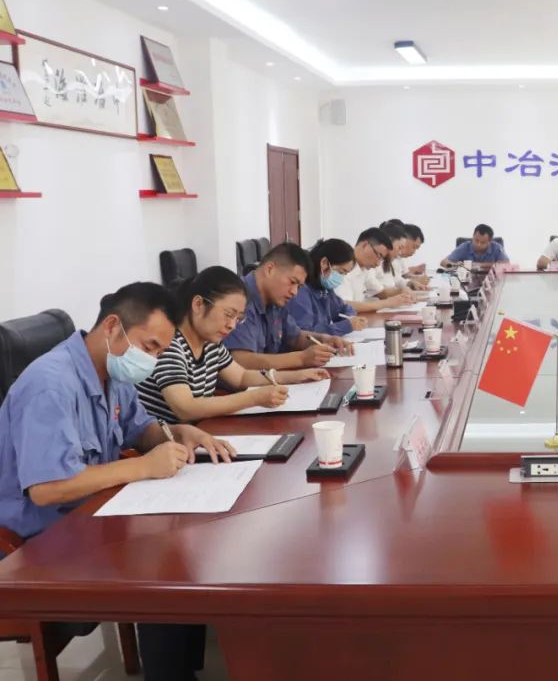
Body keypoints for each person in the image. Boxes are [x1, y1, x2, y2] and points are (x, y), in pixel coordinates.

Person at [0, 282, 234, 681]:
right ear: (112, 326)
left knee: (187, 535)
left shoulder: (112, 370)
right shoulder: (50, 385)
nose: (152, 360)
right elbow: (47, 489)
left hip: (94, 514)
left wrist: (177, 433)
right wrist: (143, 468)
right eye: (150, 346)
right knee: (162, 566)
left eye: (159, 352)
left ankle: (184, 665)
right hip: (40, 543)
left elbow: (138, 429)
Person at [139, 267, 329, 424]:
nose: (232, 325)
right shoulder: (169, 346)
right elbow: (186, 408)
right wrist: (254, 398)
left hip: (199, 434)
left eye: (238, 318)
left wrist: (296, 376)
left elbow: (241, 377)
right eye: (228, 314)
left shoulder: (211, 344)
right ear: (198, 304)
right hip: (163, 446)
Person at [222, 243, 350, 371]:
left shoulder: (276, 299)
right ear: (270, 269)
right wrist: (301, 358)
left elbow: (294, 337)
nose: (294, 292)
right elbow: (241, 360)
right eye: (292, 282)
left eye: (299, 286)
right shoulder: (239, 298)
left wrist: (323, 339)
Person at [286, 238, 368, 336]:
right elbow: (305, 335)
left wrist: (351, 318)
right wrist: (346, 326)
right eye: (341, 272)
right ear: (324, 263)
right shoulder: (300, 290)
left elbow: (342, 308)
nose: (341, 278)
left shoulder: (324, 287)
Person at [336, 227, 416, 313]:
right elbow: (344, 305)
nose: (378, 264)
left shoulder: (365, 269)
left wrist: (401, 291)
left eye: (381, 259)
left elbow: (380, 292)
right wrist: (385, 303)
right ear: (365, 246)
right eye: (379, 256)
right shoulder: (342, 265)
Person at [441, 223, 509, 269]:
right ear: (473, 236)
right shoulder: (465, 247)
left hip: (491, 283)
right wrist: (456, 265)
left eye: (483, 242)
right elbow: (443, 262)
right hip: (467, 282)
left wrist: (480, 265)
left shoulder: (497, 247)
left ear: (490, 241)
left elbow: (506, 265)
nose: (478, 244)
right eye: (476, 240)